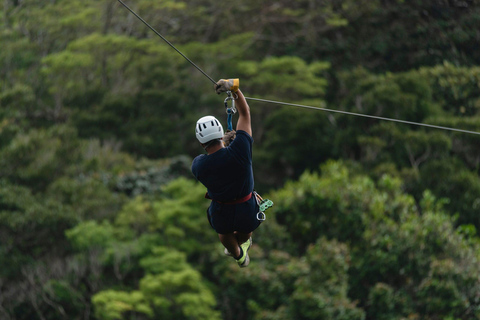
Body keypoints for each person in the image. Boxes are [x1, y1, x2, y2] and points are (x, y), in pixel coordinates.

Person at [191, 78, 261, 267]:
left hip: (222, 212)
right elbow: (245, 114)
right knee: (246, 232)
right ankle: (241, 247)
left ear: (200, 142)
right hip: (247, 208)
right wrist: (234, 88)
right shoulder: (241, 150)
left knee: (224, 236)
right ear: (221, 133)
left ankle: (238, 255)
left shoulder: (198, 166)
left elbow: (212, 161)